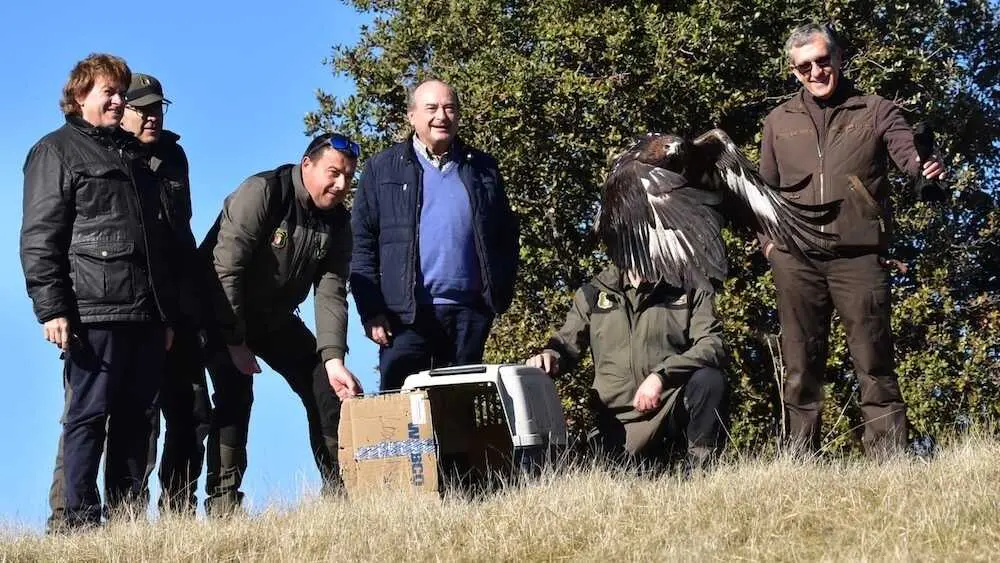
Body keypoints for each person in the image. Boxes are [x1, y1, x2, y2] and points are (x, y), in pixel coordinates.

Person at [758, 23, 947, 456]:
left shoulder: (877, 110)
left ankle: (888, 460)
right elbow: (763, 194)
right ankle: (800, 463)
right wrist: (771, 248)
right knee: (800, 367)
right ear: (794, 71)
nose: (816, 71)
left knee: (874, 361)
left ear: (839, 59)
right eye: (805, 66)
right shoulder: (778, 121)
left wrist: (926, 165)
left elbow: (909, 156)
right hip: (795, 259)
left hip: (859, 258)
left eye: (823, 61)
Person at [21, 54, 178, 530]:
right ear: (79, 96)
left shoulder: (132, 156)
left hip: (146, 314)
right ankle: (77, 522)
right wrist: (52, 308)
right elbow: (39, 237)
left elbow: (156, 241)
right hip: (92, 311)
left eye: (120, 92)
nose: (118, 100)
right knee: (88, 418)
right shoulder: (56, 151)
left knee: (139, 419)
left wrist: (165, 314)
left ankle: (126, 520)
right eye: (108, 92)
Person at [201, 133, 363, 516]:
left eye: (348, 177)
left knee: (325, 385)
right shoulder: (263, 192)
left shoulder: (339, 221)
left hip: (274, 318)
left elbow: (331, 291)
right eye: (333, 173)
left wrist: (333, 357)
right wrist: (234, 340)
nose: (340, 185)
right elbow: (227, 269)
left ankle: (341, 495)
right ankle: (224, 506)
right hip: (217, 309)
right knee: (235, 391)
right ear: (306, 165)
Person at [350, 79, 520, 391]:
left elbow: (506, 234)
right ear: (411, 116)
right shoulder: (381, 169)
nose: (441, 116)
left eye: (449, 108)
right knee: (404, 417)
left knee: (460, 413)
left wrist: (498, 295)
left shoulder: (483, 168)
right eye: (432, 108)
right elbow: (362, 244)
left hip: (469, 315)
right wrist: (371, 310)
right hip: (405, 317)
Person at [526, 267, 728, 470]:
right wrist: (550, 357)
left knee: (709, 380)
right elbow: (566, 344)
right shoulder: (594, 291)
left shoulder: (690, 285)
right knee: (611, 474)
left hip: (670, 404)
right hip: (618, 422)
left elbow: (712, 344)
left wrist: (662, 376)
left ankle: (701, 469)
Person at [121, 72, 213, 514]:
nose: (152, 115)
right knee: (138, 418)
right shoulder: (112, 156)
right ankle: (127, 515)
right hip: (135, 308)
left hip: (181, 306)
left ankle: (178, 510)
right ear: (122, 111)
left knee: (194, 412)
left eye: (158, 107)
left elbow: (183, 231)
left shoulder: (175, 156)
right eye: (142, 108)